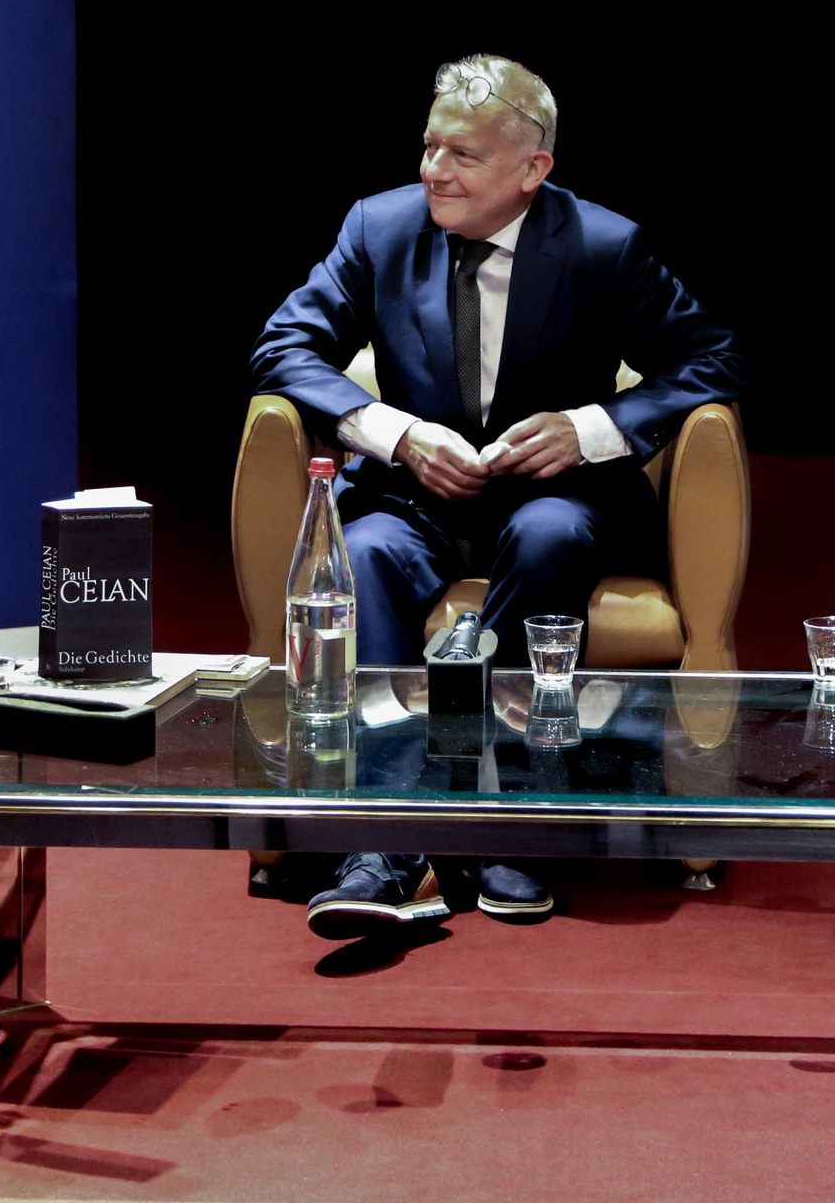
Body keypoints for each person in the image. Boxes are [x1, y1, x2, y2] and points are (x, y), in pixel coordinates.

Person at [251, 53, 747, 938]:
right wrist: (394, 432)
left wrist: (589, 427)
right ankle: (391, 839)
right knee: (359, 557)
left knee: (549, 536)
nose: (433, 170)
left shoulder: (603, 244)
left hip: (556, 502)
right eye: (429, 146)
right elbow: (284, 348)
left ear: (533, 170)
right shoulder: (378, 227)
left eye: (463, 155)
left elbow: (711, 358)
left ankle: (521, 818)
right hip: (415, 503)